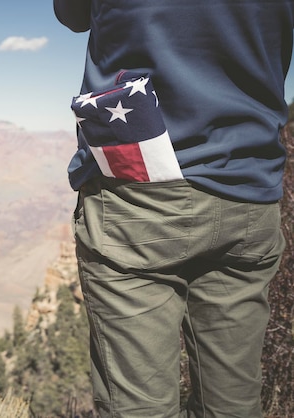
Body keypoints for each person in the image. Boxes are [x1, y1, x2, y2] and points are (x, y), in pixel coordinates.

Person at [53, 1, 293, 417]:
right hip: (252, 188)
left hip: (141, 192)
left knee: (138, 406)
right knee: (233, 404)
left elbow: (71, 15)